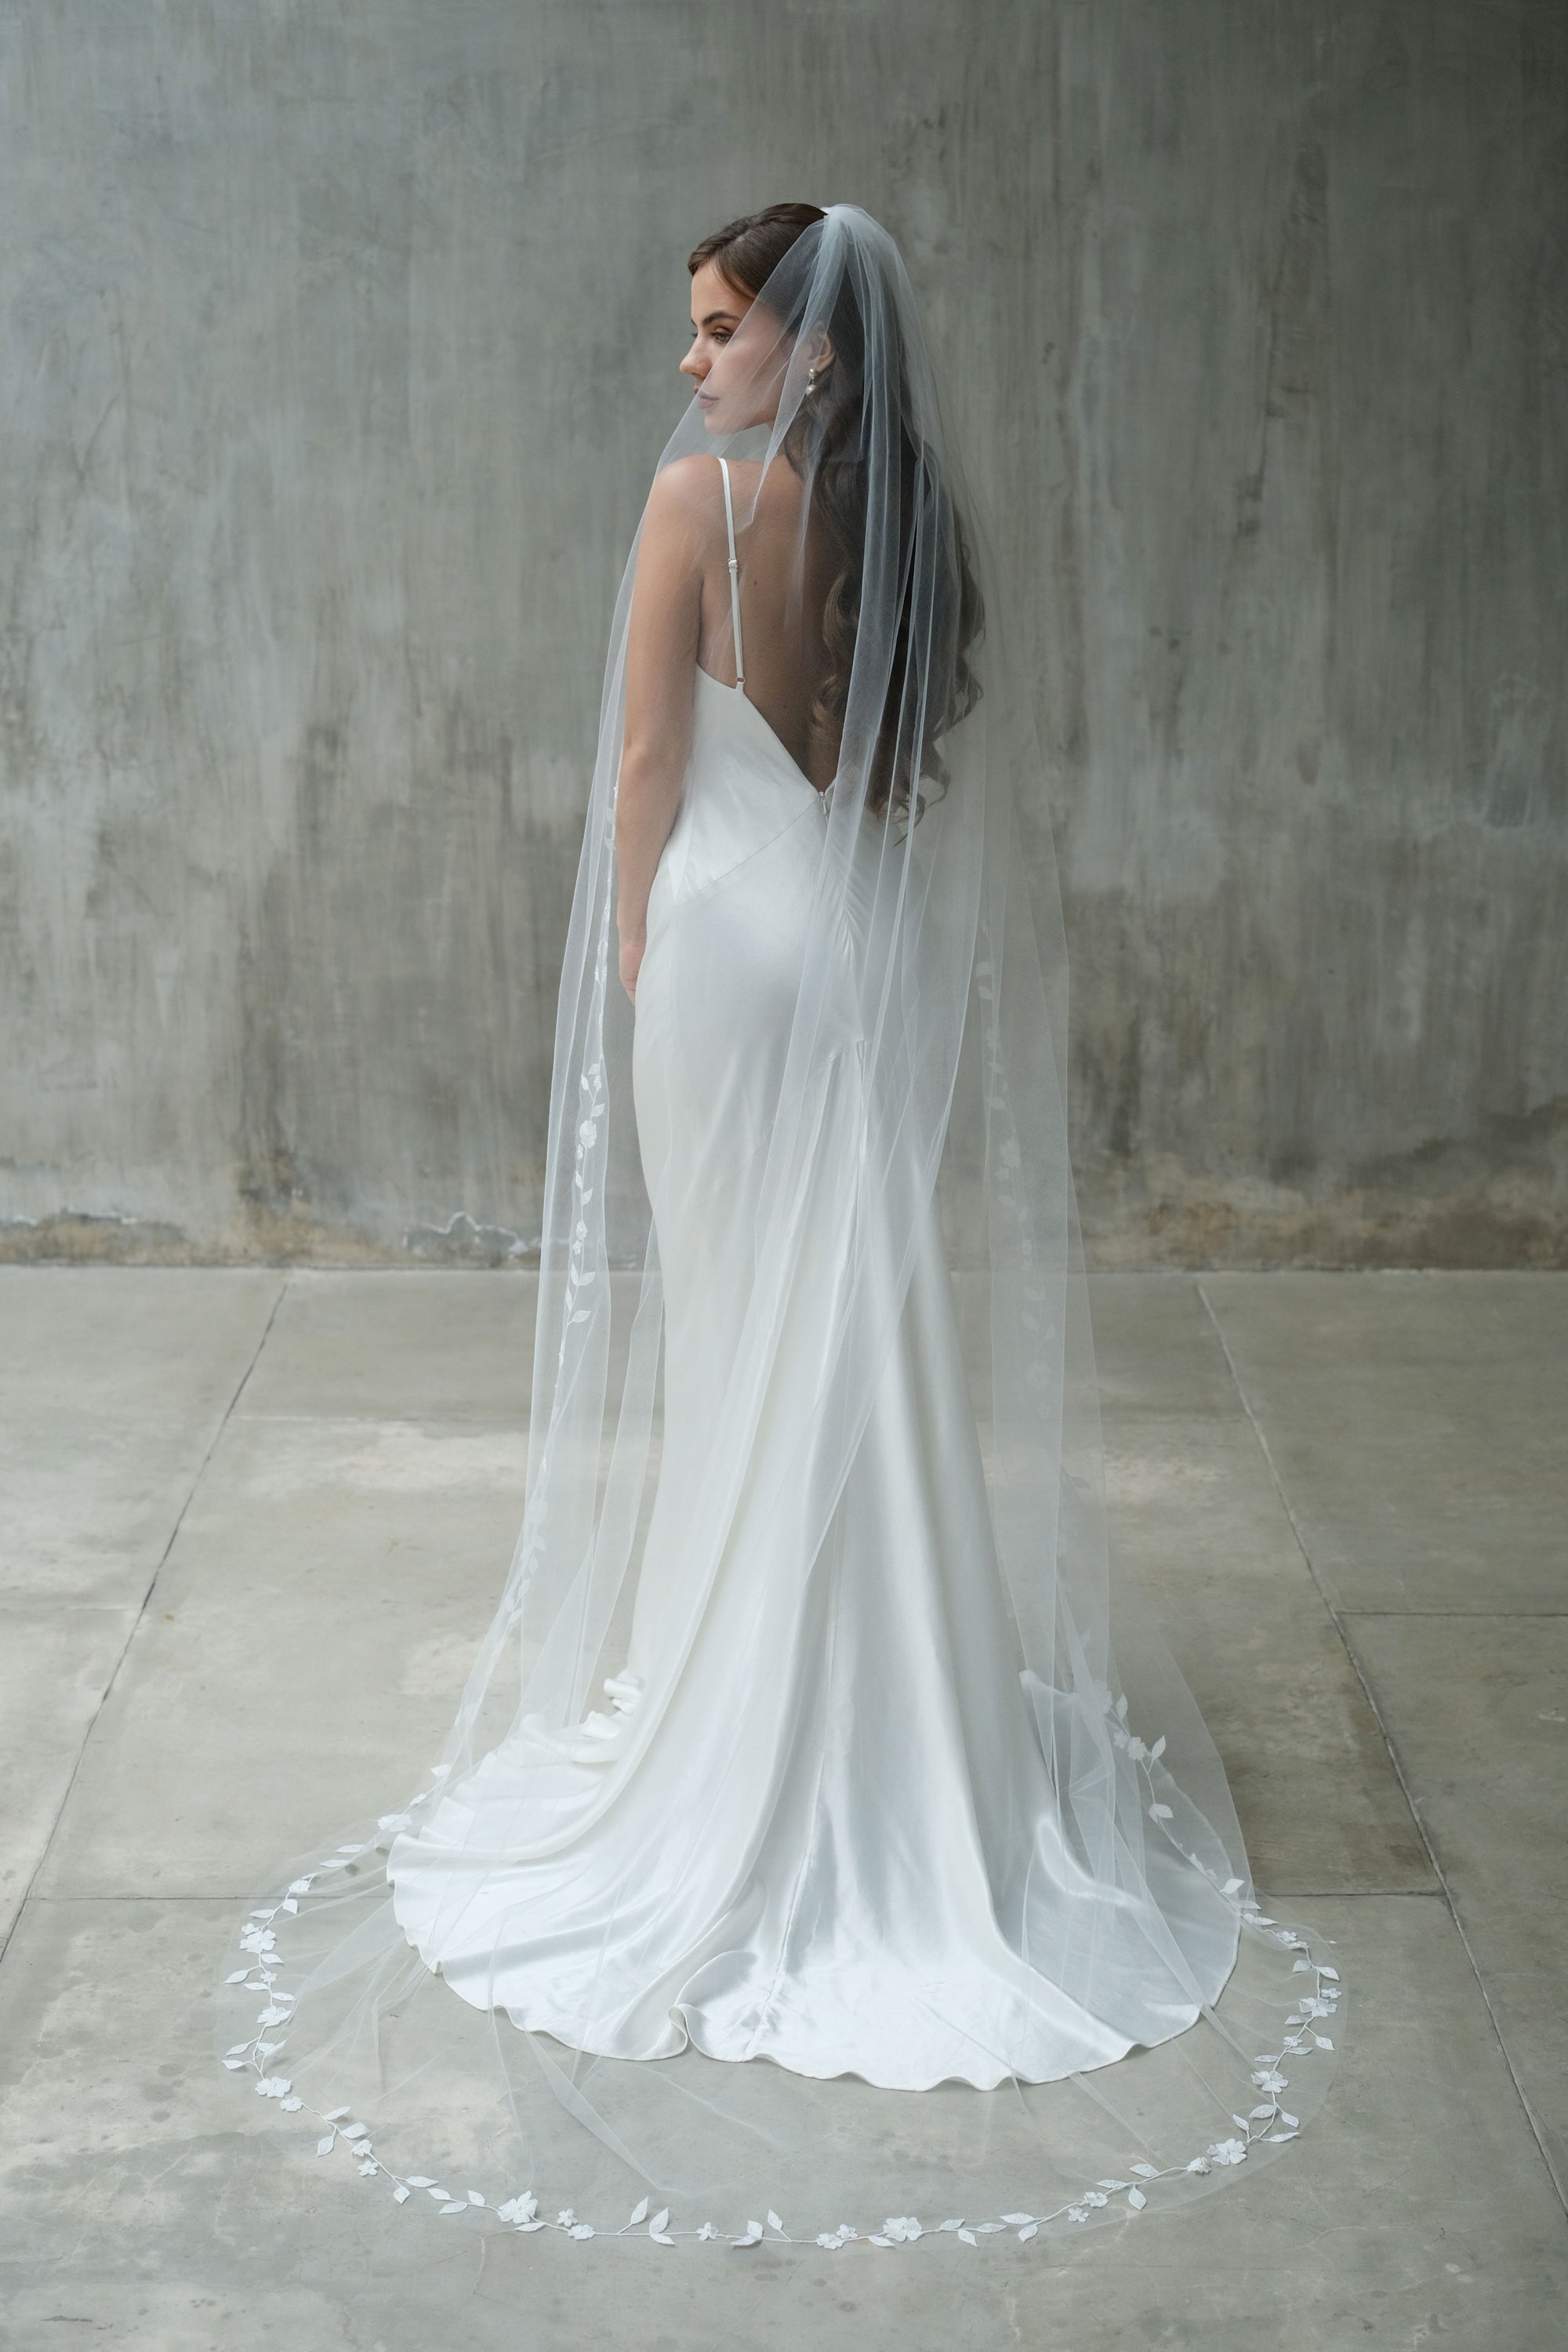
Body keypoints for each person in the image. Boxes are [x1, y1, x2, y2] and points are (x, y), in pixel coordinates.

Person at [216, 203, 1341, 2249]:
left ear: (808, 351)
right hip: (863, 947)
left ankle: (752, 1737)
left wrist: (639, 935)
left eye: (719, 328)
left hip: (734, 954)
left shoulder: (697, 509)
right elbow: (892, 773)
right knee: (864, 1335)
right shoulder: (902, 527)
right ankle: (893, 1738)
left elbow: (650, 755)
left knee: (746, 1332)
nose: (691, 362)